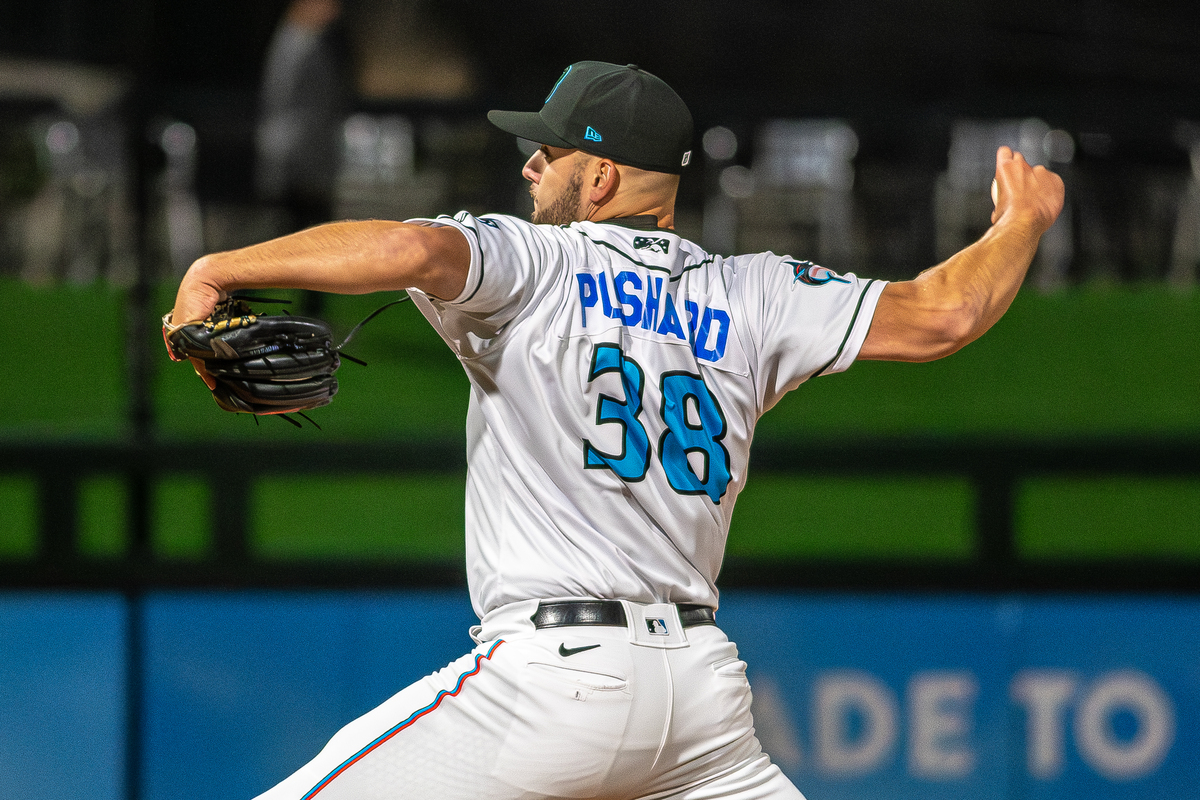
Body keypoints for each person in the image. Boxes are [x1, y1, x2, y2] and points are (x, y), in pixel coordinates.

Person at [169, 61, 1064, 800]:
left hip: (552, 681)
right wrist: (1023, 219)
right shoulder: (758, 292)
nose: (527, 167)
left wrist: (218, 267)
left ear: (597, 178)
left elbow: (413, 250)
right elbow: (943, 314)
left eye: (547, 152)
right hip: (703, 710)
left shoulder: (536, 263)